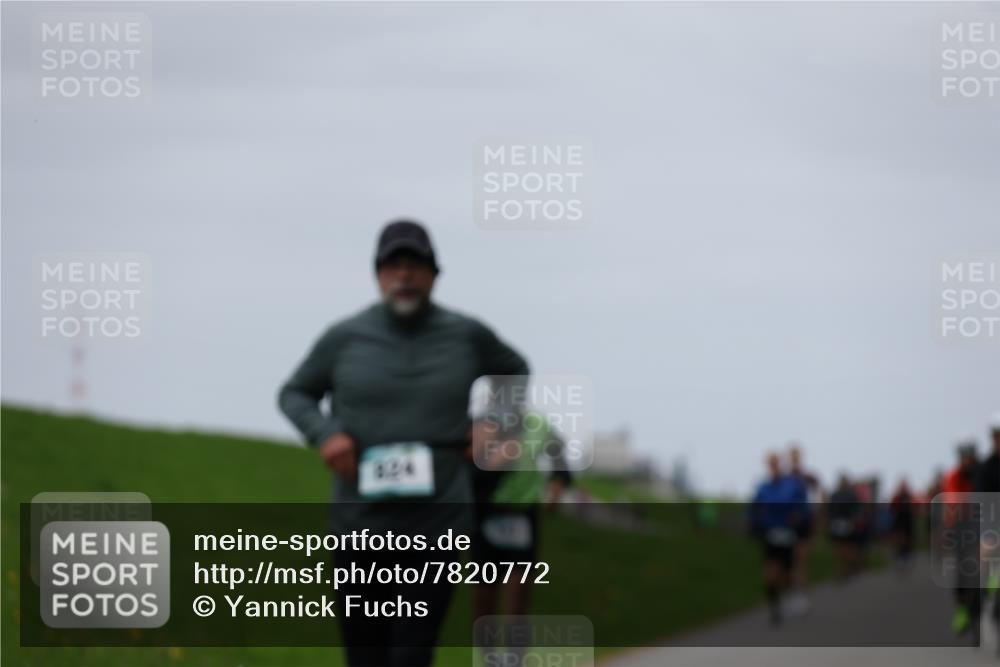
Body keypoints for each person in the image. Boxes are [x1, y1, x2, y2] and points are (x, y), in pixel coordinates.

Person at [278, 219, 529, 667]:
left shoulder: (466, 335)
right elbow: (294, 393)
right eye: (394, 265)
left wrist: (494, 423)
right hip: (360, 524)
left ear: (435, 274)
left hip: (438, 523)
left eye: (416, 265)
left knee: (412, 653)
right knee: (365, 654)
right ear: (378, 275)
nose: (405, 275)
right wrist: (326, 434)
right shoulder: (345, 338)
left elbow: (515, 370)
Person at [470, 406, 572, 661]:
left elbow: (558, 452)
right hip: (485, 515)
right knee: (484, 601)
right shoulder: (480, 423)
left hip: (522, 516)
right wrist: (489, 463)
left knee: (516, 602)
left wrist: (558, 481)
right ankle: (488, 660)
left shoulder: (537, 424)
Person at [749, 452, 808, 625]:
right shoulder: (763, 487)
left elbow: (803, 507)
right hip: (769, 534)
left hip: (788, 533)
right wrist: (754, 524)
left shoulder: (792, 485)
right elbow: (754, 508)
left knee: (786, 572)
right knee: (769, 573)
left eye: (775, 463)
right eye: (770, 464)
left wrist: (798, 520)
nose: (773, 467)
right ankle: (775, 609)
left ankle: (790, 593)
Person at [941, 441, 980, 640]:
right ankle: (962, 611)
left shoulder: (982, 471)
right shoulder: (953, 476)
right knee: (962, 569)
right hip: (961, 525)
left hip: (983, 523)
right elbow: (951, 501)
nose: (968, 461)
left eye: (970, 456)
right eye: (964, 457)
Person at [787, 444, 821, 615]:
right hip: (786, 523)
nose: (794, 459)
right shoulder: (785, 477)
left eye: (797, 456)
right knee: (790, 559)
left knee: (801, 558)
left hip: (803, 522)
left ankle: (801, 595)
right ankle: (795, 592)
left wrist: (815, 513)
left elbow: (818, 492)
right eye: (792, 456)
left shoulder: (805, 477)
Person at [828, 473, 865, 580]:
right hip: (839, 524)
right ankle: (845, 570)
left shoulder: (849, 495)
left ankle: (848, 570)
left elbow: (856, 511)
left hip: (845, 524)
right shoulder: (839, 495)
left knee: (847, 548)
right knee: (842, 548)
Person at [889, 479, 917, 571]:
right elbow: (892, 508)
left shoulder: (909, 496)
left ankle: (906, 557)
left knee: (907, 540)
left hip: (908, 521)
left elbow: (915, 507)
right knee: (900, 540)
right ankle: (900, 557)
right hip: (899, 521)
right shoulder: (897, 497)